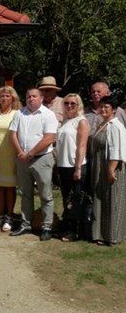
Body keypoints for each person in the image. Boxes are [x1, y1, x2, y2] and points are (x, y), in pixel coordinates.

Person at [9, 88, 58, 241]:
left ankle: (47, 226)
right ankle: (26, 224)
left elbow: (49, 138)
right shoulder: (20, 113)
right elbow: (13, 134)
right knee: (25, 193)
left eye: (34, 96)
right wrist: (21, 153)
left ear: (41, 98)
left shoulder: (48, 115)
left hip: (41, 158)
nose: (31, 99)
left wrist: (30, 153)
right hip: (23, 158)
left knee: (45, 194)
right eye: (28, 96)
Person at [89, 96, 126, 245]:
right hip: (99, 165)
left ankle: (113, 236)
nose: (103, 109)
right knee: (101, 198)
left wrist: (111, 169)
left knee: (113, 200)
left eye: (107, 107)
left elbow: (117, 149)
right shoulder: (103, 124)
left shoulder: (116, 126)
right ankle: (100, 233)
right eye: (102, 106)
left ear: (114, 110)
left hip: (112, 166)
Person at [56, 93, 90, 241]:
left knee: (76, 200)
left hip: (75, 165)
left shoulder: (81, 121)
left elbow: (82, 146)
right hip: (63, 165)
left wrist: (77, 168)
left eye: (73, 104)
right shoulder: (64, 121)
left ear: (78, 106)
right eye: (67, 103)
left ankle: (76, 231)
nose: (69, 106)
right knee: (67, 199)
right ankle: (68, 227)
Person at [0, 86, 21, 232]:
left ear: (13, 98)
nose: (5, 98)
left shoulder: (17, 114)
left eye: (8, 96)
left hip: (11, 154)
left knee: (9, 187)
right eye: (2, 96)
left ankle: (9, 216)